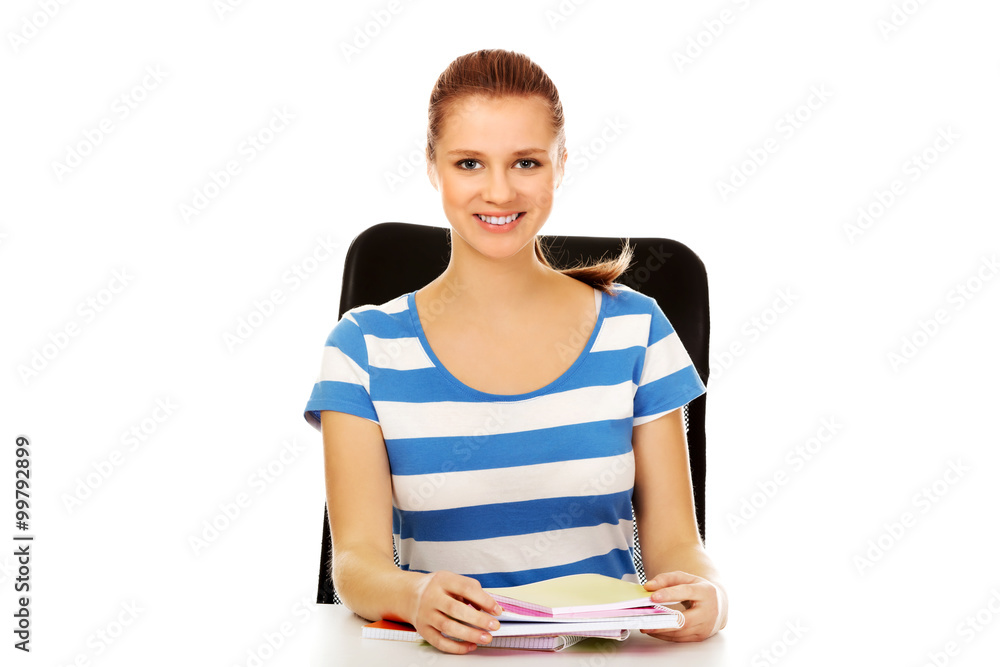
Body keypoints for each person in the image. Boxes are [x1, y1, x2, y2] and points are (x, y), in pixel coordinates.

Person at [303, 48, 727, 654]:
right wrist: (412, 596)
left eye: (526, 162)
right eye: (469, 163)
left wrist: (709, 593)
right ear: (433, 167)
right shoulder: (362, 349)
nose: (499, 192)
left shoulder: (637, 329)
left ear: (560, 164)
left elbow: (679, 547)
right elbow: (357, 564)